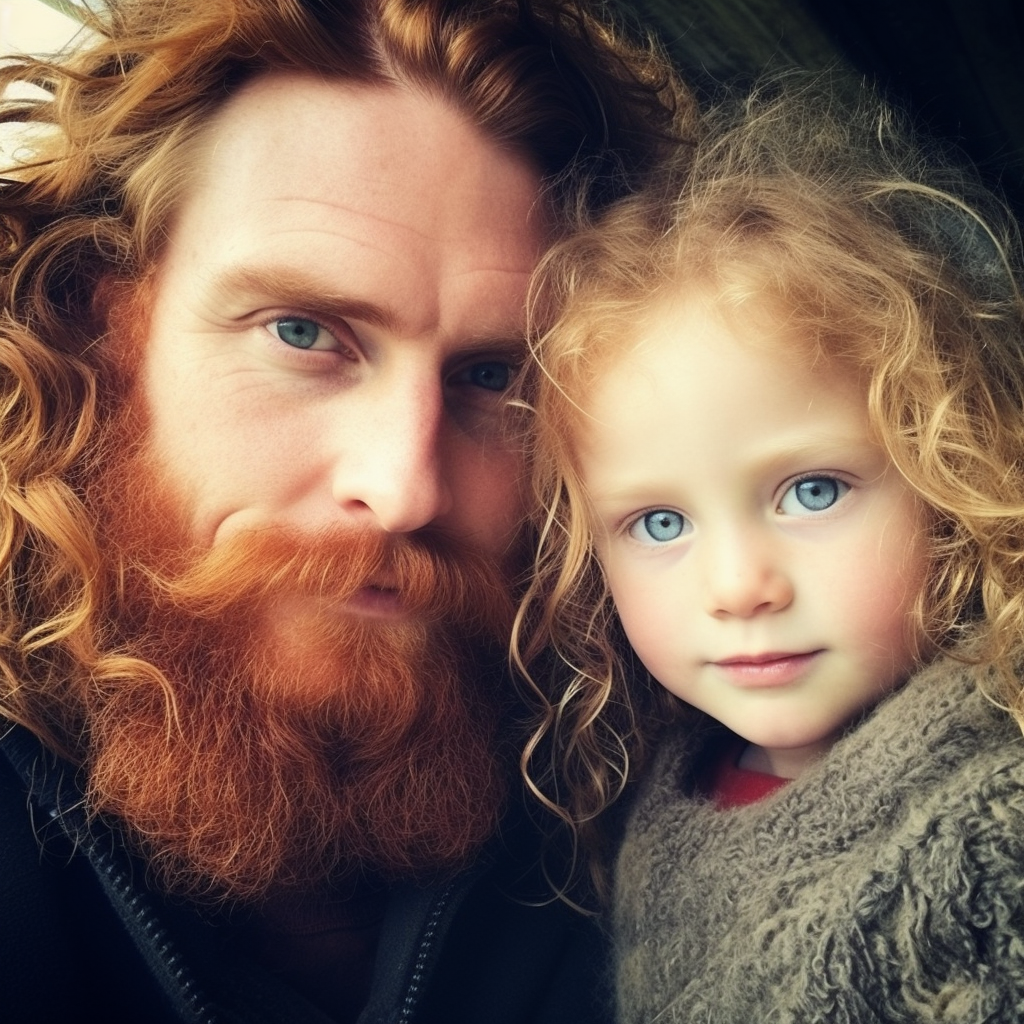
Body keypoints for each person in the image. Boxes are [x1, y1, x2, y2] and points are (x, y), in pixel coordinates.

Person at [0, 2, 691, 1021]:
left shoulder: (694, 777)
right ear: (107, 326)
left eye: (495, 374)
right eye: (302, 331)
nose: (406, 485)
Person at [518, 78, 1024, 1021]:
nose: (739, 586)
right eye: (659, 524)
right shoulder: (663, 797)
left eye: (813, 491)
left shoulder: (990, 824)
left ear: (945, 477)